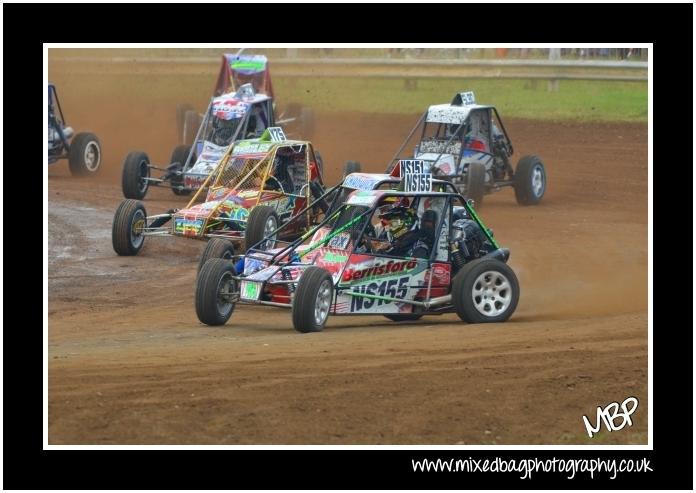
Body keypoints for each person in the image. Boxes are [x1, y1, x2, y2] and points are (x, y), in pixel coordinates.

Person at [364, 206, 436, 259]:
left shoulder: (419, 249)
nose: (390, 227)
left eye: (393, 223)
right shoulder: (400, 243)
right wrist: (382, 250)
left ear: (405, 224)